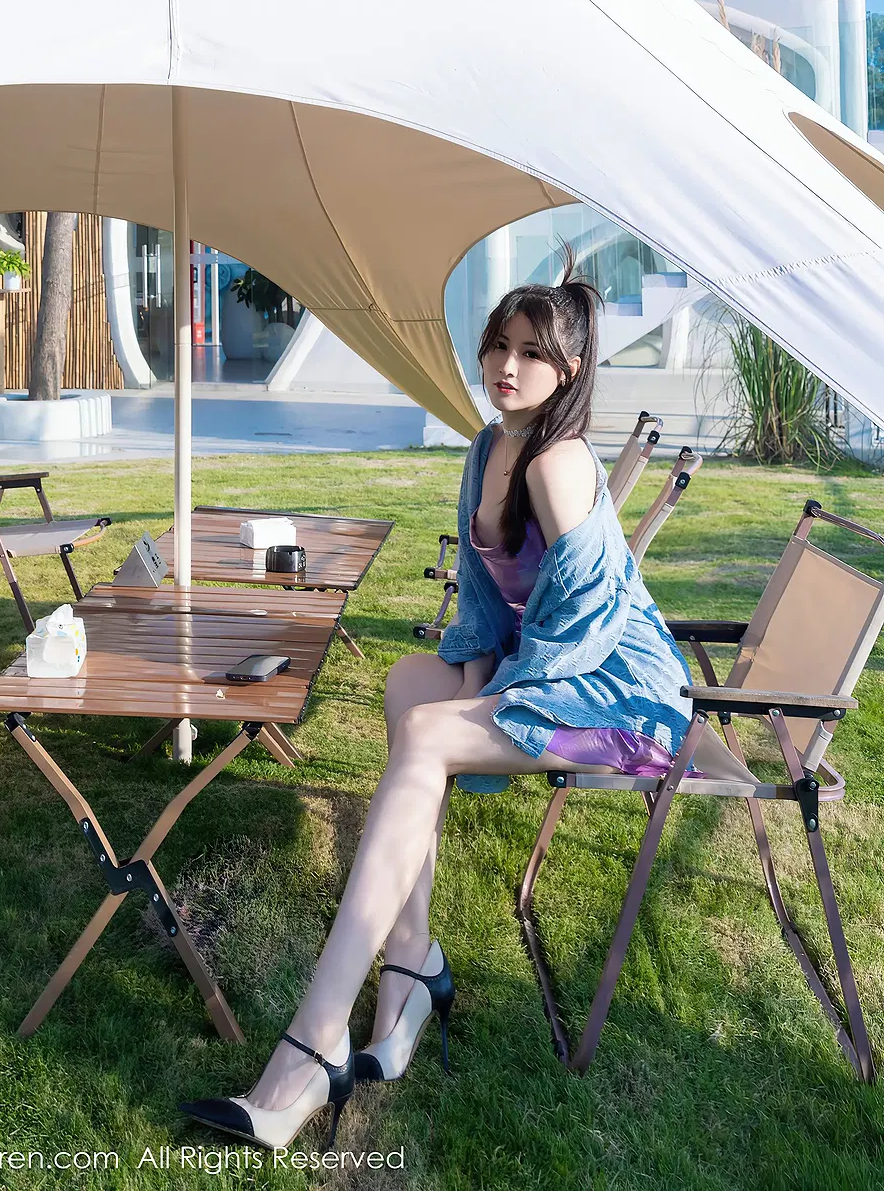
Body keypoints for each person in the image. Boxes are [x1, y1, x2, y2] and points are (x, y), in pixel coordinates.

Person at [181, 251, 693, 1149]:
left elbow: (584, 621)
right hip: (546, 660)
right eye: (499, 345)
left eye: (531, 353)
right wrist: (468, 674)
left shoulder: (557, 464)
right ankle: (412, 963)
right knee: (409, 686)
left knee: (426, 736)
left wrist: (496, 690)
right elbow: (488, 598)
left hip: (620, 694)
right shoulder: (490, 447)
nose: (506, 365)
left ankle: (315, 1040)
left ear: (569, 370)